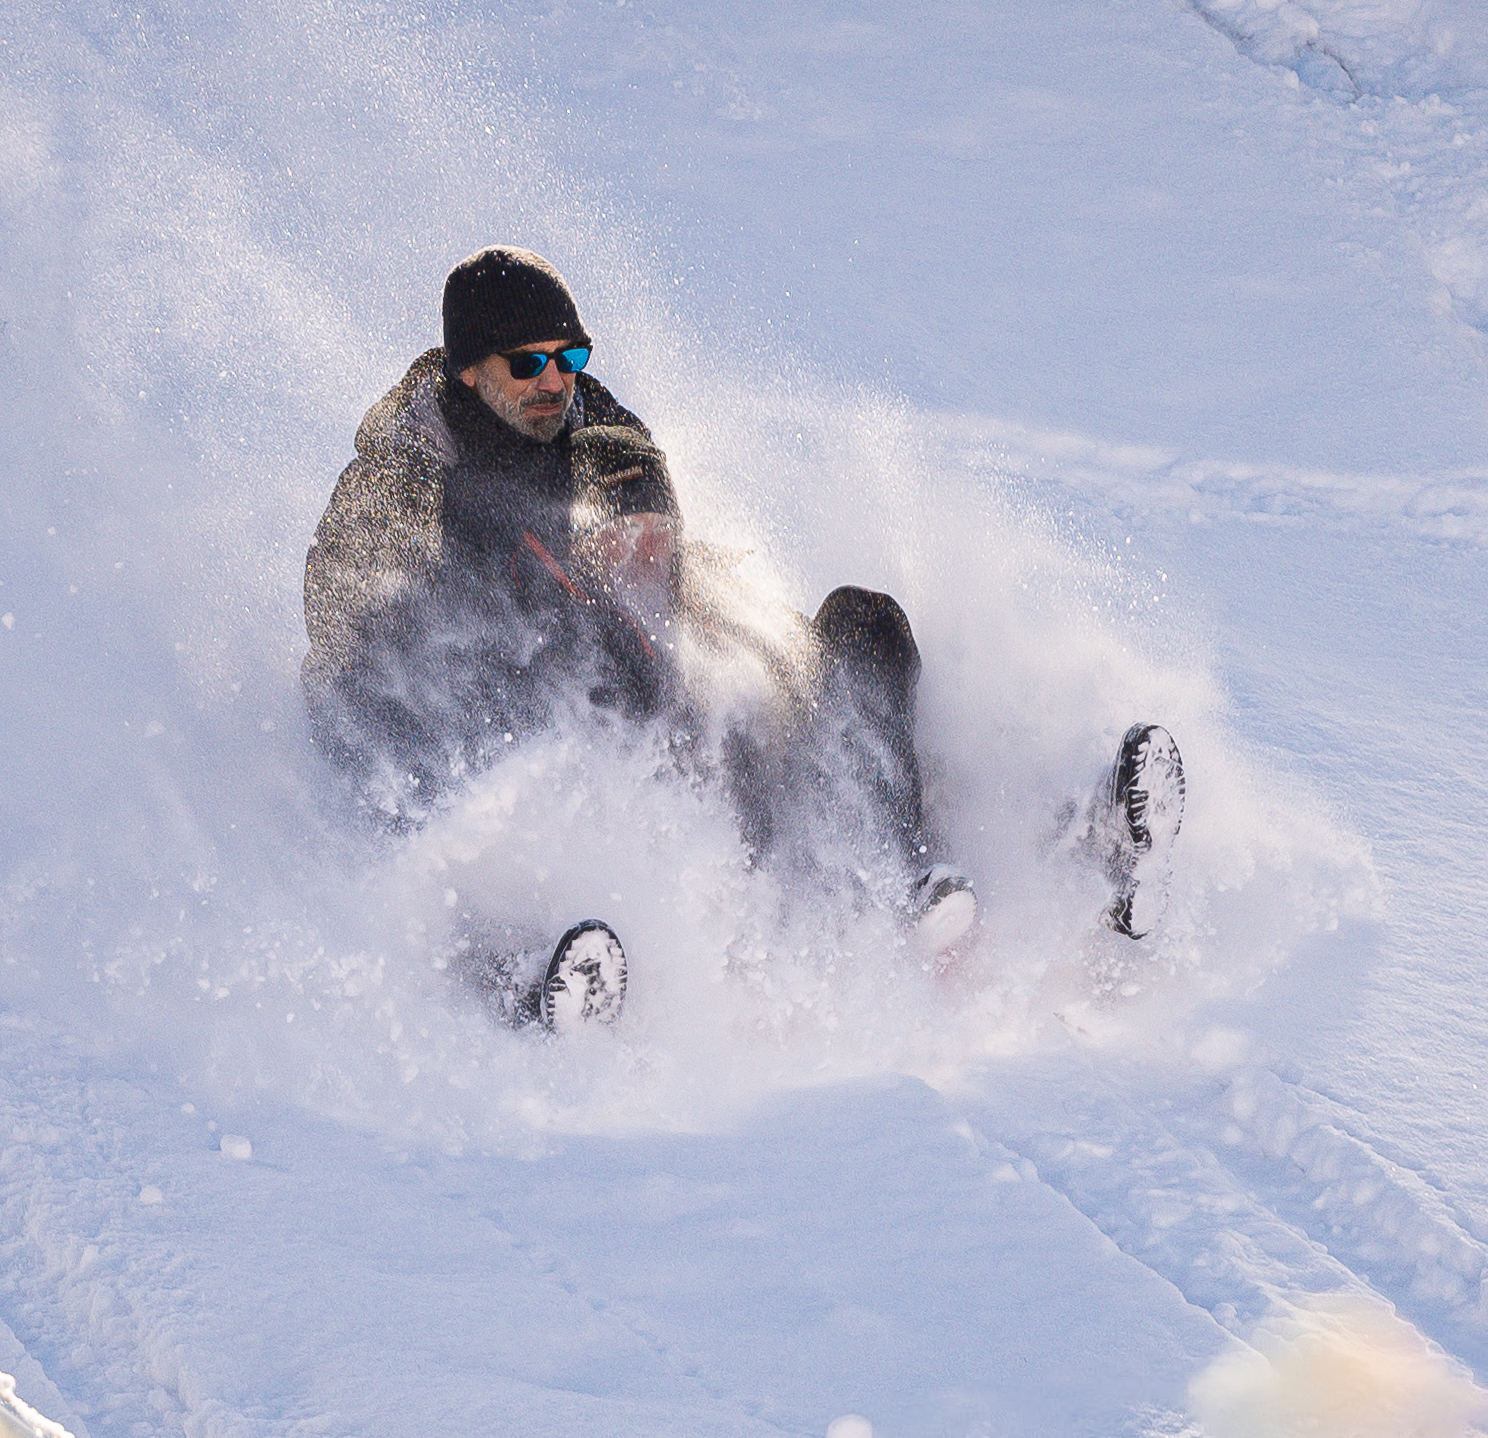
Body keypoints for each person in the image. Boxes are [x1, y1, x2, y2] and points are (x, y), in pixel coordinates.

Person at [302, 246, 1182, 1034]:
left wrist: (780, 647)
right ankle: (526, 983)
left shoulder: (596, 427)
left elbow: (666, 569)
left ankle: (1036, 872)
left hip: (647, 713)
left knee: (861, 628)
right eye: (528, 362)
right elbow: (345, 628)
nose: (555, 380)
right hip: (464, 738)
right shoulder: (403, 478)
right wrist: (474, 627)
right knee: (479, 727)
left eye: (570, 357)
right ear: (468, 372)